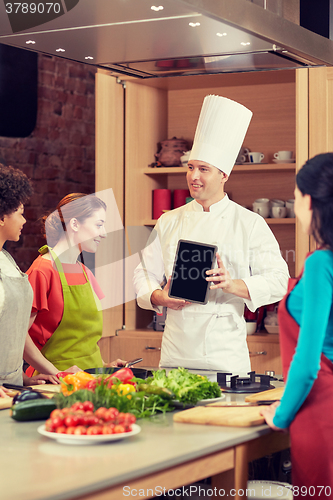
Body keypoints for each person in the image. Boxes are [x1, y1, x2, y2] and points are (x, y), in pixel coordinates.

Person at [134, 95, 289, 374]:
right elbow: (142, 273)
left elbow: (279, 281)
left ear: (223, 175)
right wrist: (159, 296)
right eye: (191, 167)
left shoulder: (249, 223)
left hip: (226, 357)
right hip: (175, 355)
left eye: (204, 169)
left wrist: (232, 284)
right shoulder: (169, 221)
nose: (194, 176)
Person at [261, 153, 333, 494]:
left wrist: (281, 415)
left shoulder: (321, 263)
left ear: (309, 200)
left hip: (320, 413)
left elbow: (307, 363)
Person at [26, 193, 125, 374]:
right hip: (55, 383)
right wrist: (56, 374)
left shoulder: (85, 272)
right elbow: (19, 337)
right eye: (99, 225)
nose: (104, 234)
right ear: (74, 224)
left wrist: (103, 365)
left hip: (91, 379)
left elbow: (83, 338)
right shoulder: (42, 271)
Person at [0, 164, 61, 397]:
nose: (25, 220)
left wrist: (26, 379)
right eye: (20, 212)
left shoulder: (7, 260)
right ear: (2, 217)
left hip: (13, 389)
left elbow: (11, 330)